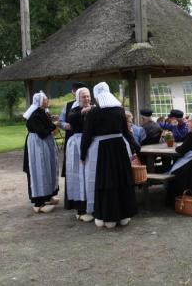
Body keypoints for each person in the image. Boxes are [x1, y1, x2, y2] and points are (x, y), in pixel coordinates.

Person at [80, 82, 138, 229]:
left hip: (103, 151)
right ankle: (124, 214)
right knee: (121, 180)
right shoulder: (119, 110)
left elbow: (86, 136)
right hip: (119, 149)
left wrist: (82, 154)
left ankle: (108, 216)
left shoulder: (93, 113)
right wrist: (135, 147)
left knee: (106, 182)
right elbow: (127, 132)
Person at [22, 91, 59, 213]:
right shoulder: (34, 115)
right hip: (37, 145)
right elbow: (42, 132)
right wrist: (55, 125)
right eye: (45, 99)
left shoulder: (42, 112)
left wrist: (52, 121)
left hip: (44, 144)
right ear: (40, 102)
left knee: (47, 168)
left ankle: (47, 196)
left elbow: (46, 125)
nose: (47, 101)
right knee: (39, 170)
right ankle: (38, 204)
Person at [65, 87, 94, 222]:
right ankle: (80, 207)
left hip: (91, 145)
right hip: (77, 145)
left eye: (88, 96)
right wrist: (83, 111)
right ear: (78, 98)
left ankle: (91, 204)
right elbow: (70, 119)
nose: (87, 99)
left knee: (90, 175)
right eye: (84, 97)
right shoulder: (74, 111)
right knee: (79, 175)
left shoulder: (94, 109)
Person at [59, 81, 87, 210]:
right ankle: (71, 201)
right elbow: (61, 121)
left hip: (85, 138)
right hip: (72, 136)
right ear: (73, 93)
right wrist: (66, 126)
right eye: (76, 91)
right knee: (72, 169)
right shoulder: (69, 105)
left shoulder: (90, 105)